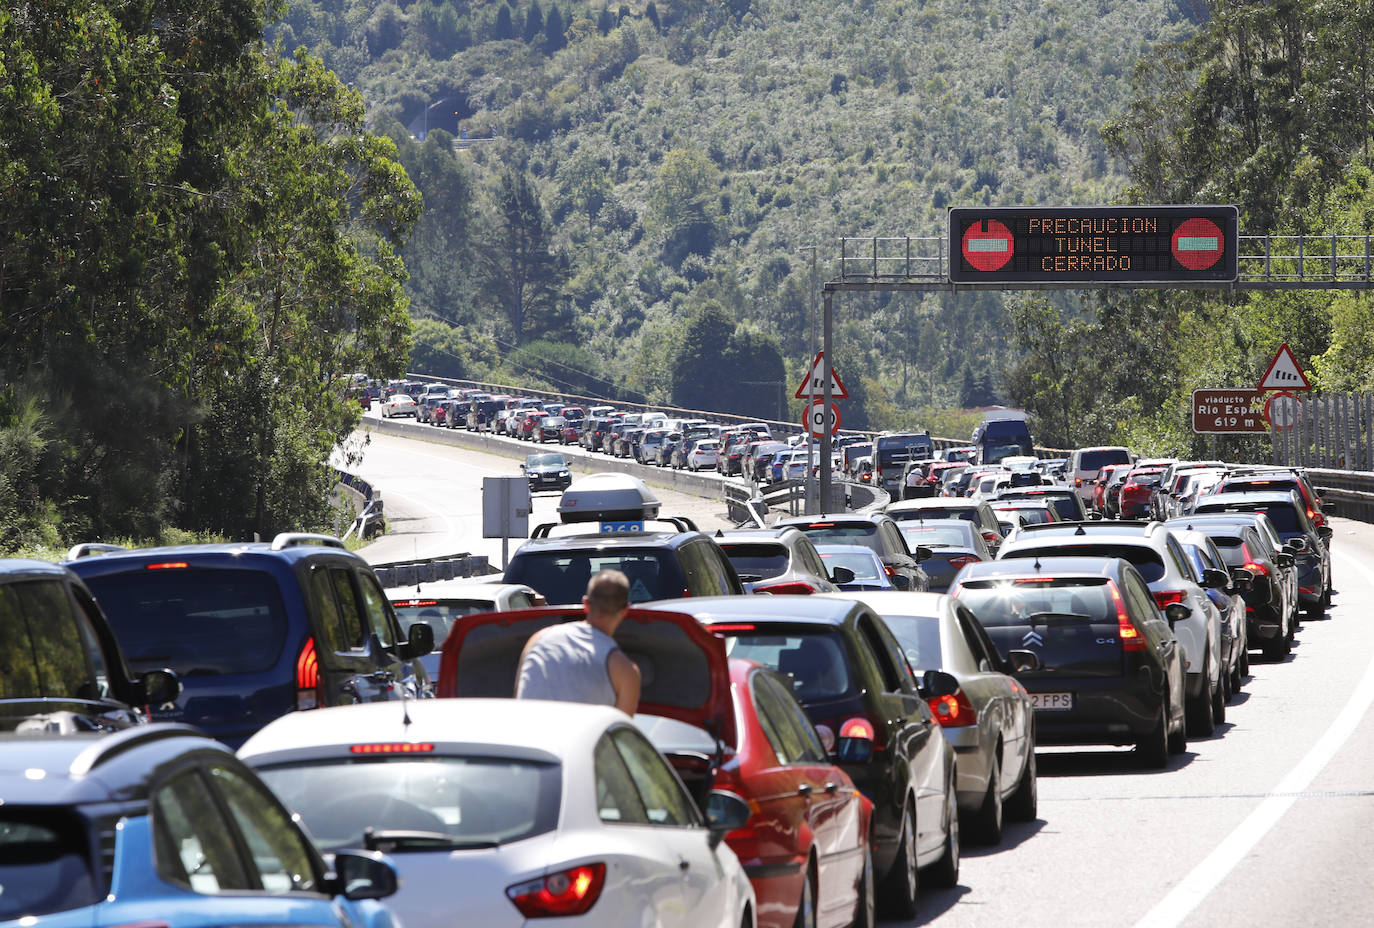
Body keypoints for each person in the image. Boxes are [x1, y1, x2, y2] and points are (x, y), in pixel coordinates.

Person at [515, 569, 641, 715]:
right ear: (625, 610)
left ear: (586, 604)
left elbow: (518, 705)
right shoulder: (625, 671)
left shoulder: (537, 640)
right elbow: (621, 734)